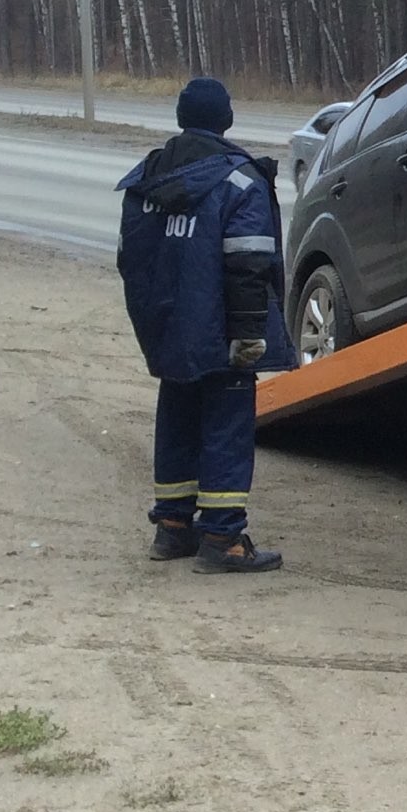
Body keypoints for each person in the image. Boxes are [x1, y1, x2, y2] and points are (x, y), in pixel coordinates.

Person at [117, 76, 293, 572]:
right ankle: (223, 539)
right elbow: (249, 265)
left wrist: (154, 327)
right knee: (226, 428)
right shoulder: (239, 181)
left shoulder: (147, 178)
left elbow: (132, 261)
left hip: (169, 328)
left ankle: (173, 528)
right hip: (222, 335)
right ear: (225, 119)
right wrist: (249, 334)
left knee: (176, 421)